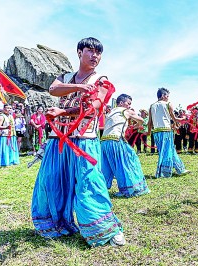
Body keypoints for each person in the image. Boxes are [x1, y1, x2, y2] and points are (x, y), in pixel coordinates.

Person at [31, 37, 125, 247]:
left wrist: (62, 111)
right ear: (79, 52)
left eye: (98, 53)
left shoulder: (101, 79)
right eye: (90, 51)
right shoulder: (64, 77)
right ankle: (55, 225)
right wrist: (80, 88)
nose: (95, 56)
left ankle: (106, 230)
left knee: (89, 185)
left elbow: (94, 107)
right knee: (51, 182)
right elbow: (54, 89)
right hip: (58, 141)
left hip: (84, 141)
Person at [100, 94, 150, 197]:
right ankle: (130, 189)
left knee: (106, 167)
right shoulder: (126, 111)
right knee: (128, 162)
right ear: (121, 103)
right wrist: (137, 125)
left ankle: (100, 189)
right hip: (116, 140)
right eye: (128, 103)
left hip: (104, 142)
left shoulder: (110, 112)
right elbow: (141, 120)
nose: (129, 106)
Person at [147, 87, 189, 178]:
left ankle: (180, 169)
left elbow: (149, 122)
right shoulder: (168, 104)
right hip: (166, 131)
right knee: (167, 151)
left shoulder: (151, 106)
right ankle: (164, 173)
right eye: (167, 96)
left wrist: (148, 132)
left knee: (168, 150)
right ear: (163, 96)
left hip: (156, 132)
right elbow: (175, 119)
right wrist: (184, 119)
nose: (168, 97)